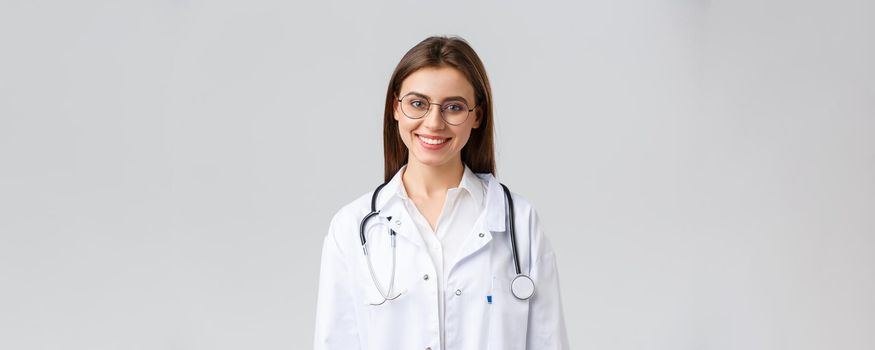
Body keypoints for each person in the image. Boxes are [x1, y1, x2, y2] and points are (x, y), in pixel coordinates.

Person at [313, 35, 569, 350]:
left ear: (477, 116)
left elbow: (548, 342)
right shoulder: (352, 226)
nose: (434, 122)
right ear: (396, 108)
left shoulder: (519, 222)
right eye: (418, 103)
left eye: (454, 107)